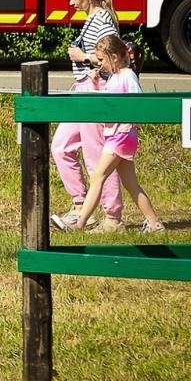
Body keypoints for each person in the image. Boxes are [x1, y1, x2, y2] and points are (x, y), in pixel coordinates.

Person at [57, 34, 165, 234]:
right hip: (115, 135)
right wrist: (97, 84)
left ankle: (79, 224)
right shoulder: (115, 77)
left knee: (97, 176)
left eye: (102, 60)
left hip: (121, 136)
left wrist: (130, 123)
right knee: (131, 184)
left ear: (114, 57)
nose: (100, 64)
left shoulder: (128, 76)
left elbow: (137, 103)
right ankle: (154, 223)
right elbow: (109, 102)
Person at [51, 0, 122, 231]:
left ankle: (112, 216)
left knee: (97, 156)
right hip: (83, 90)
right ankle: (80, 204)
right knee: (61, 147)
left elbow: (114, 60)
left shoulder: (103, 22)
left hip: (97, 91)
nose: (70, 3)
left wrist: (84, 58)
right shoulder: (91, 19)